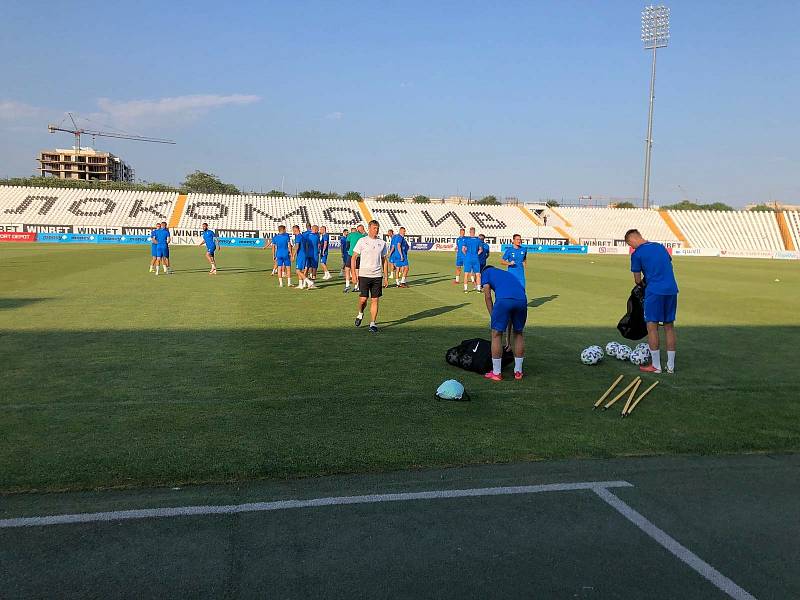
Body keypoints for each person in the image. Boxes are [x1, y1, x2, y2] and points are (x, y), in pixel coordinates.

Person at [625, 229, 679, 374]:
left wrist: (644, 283)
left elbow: (637, 280)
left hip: (655, 291)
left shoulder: (637, 254)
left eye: (629, 244)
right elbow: (668, 264)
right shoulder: (660, 247)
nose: (631, 247)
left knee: (652, 327)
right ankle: (671, 367)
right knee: (669, 327)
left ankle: (656, 366)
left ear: (632, 240)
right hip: (672, 289)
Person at [481, 266, 527, 381]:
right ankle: (518, 372)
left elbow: (487, 297)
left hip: (504, 300)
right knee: (519, 333)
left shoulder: (486, 272)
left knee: (496, 334)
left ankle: (496, 373)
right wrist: (508, 339)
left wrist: (493, 317)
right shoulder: (507, 274)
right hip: (522, 300)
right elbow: (510, 316)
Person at [350, 220, 388, 333]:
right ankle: (360, 313)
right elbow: (353, 258)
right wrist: (353, 275)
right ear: (369, 228)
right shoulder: (362, 241)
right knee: (363, 300)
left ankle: (372, 323)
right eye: (374, 228)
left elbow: (384, 260)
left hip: (377, 276)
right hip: (364, 275)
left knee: (375, 300)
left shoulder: (382, 243)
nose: (376, 230)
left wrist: (385, 277)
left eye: (377, 228)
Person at [461, 227, 483, 293]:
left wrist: (467, 255)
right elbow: (481, 250)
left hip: (468, 258)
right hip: (475, 258)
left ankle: (465, 289)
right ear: (474, 232)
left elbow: (463, 249)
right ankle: (478, 289)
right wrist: (476, 254)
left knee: (466, 274)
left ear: (470, 232)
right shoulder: (478, 240)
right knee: (478, 274)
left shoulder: (466, 240)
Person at [346, 224, 367, 292]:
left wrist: (349, 249)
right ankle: (356, 286)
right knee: (357, 270)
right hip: (358, 255)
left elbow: (347, 244)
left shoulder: (351, 235)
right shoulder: (363, 236)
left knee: (347, 269)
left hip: (351, 254)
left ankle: (347, 285)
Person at [291, 225, 310, 289]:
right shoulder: (302, 236)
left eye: (293, 230)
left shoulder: (298, 237)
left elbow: (297, 247)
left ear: (295, 230)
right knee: (300, 270)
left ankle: (309, 282)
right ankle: (300, 285)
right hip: (303, 254)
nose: (292, 231)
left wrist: (293, 255)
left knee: (298, 271)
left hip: (301, 255)